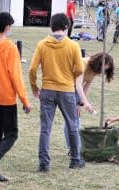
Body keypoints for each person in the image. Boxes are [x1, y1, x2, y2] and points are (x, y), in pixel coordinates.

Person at [29, 13, 86, 172]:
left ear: (51, 26)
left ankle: (44, 164)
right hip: (67, 90)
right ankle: (75, 159)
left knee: (46, 128)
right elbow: (80, 69)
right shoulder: (73, 46)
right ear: (67, 27)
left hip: (47, 90)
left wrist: (34, 86)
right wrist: (70, 78)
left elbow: (32, 69)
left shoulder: (42, 44)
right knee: (72, 125)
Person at [0, 12, 31, 185]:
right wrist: (25, 100)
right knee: (11, 134)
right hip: (6, 96)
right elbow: (16, 76)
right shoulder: (10, 48)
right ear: (8, 27)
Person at [64, 52, 115, 155]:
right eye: (103, 69)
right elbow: (78, 85)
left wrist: (81, 104)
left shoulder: (94, 71)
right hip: (66, 89)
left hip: (76, 92)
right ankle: (75, 149)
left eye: (105, 70)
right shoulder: (83, 63)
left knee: (74, 119)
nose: (102, 72)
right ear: (98, 63)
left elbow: (86, 86)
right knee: (74, 121)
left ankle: (73, 148)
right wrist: (86, 104)